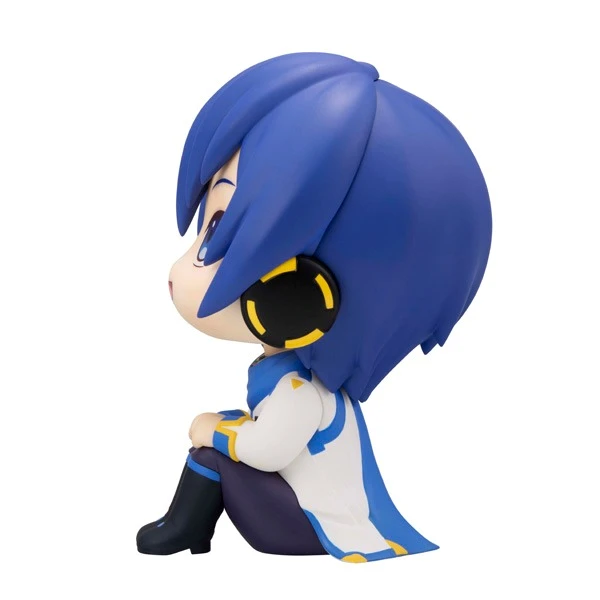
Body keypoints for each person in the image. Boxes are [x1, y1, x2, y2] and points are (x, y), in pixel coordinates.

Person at [136, 52, 492, 562]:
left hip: (310, 527)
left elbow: (265, 452)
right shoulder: (296, 381)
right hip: (305, 508)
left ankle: (184, 528)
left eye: (222, 236)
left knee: (210, 452)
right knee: (227, 430)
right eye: (212, 229)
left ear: (307, 288)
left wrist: (211, 429)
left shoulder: (300, 392)